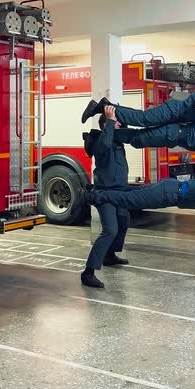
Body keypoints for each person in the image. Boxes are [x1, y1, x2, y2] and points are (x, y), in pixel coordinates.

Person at [82, 177, 195, 261]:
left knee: (131, 193)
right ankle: (93, 196)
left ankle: (96, 191)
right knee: (130, 200)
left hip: (170, 187)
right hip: (167, 194)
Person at [81, 105, 131, 289]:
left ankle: (109, 255)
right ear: (106, 126)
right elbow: (104, 146)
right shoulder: (100, 143)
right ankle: (88, 273)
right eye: (116, 123)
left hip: (120, 192)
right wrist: (109, 121)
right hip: (105, 193)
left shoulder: (117, 142)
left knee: (124, 220)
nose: (119, 125)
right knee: (110, 230)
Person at [81, 86, 195, 128]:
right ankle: (102, 107)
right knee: (143, 119)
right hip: (175, 110)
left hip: (179, 117)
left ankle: (107, 106)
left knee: (143, 118)